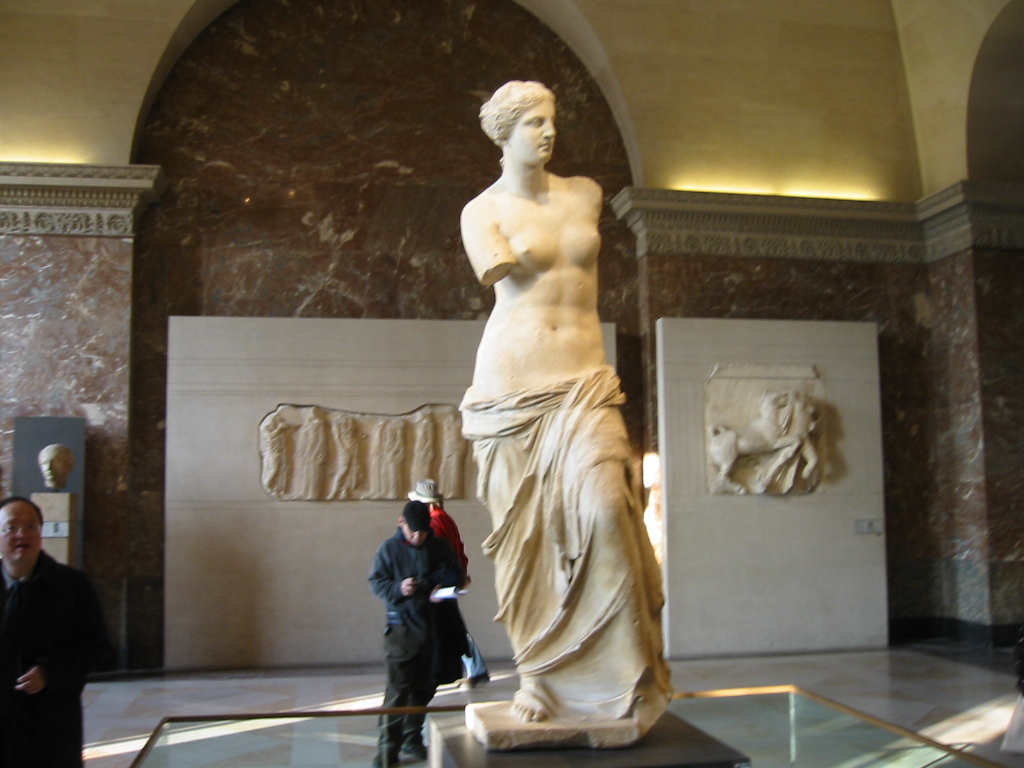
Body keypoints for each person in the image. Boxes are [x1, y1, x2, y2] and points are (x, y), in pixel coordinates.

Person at [458, 81, 672, 733]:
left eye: (551, 121)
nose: (548, 133)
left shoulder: (585, 194)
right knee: (531, 544)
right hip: (513, 390)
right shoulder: (481, 211)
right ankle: (541, 678)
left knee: (607, 508)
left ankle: (622, 676)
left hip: (584, 384)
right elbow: (497, 273)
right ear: (504, 133)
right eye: (534, 123)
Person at [0, 496, 112, 767]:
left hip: (50, 725)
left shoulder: (72, 586)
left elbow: (96, 646)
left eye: (30, 526)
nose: (22, 534)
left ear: (41, 533)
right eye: (11, 527)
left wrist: (50, 671)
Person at [368, 500, 467, 767]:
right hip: (402, 632)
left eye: (423, 532)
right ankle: (387, 749)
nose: (418, 538)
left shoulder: (439, 546)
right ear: (402, 523)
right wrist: (399, 589)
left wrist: (442, 589)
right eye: (414, 532)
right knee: (398, 692)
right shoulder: (389, 549)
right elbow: (377, 582)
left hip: (433, 629)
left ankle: (412, 738)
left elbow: (457, 574)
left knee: (425, 688)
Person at [408, 479, 489, 688]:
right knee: (453, 625)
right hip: (451, 579)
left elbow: (436, 555)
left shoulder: (433, 523)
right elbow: (458, 548)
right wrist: (462, 573)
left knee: (449, 627)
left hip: (439, 583)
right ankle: (474, 668)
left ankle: (472, 669)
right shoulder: (445, 518)